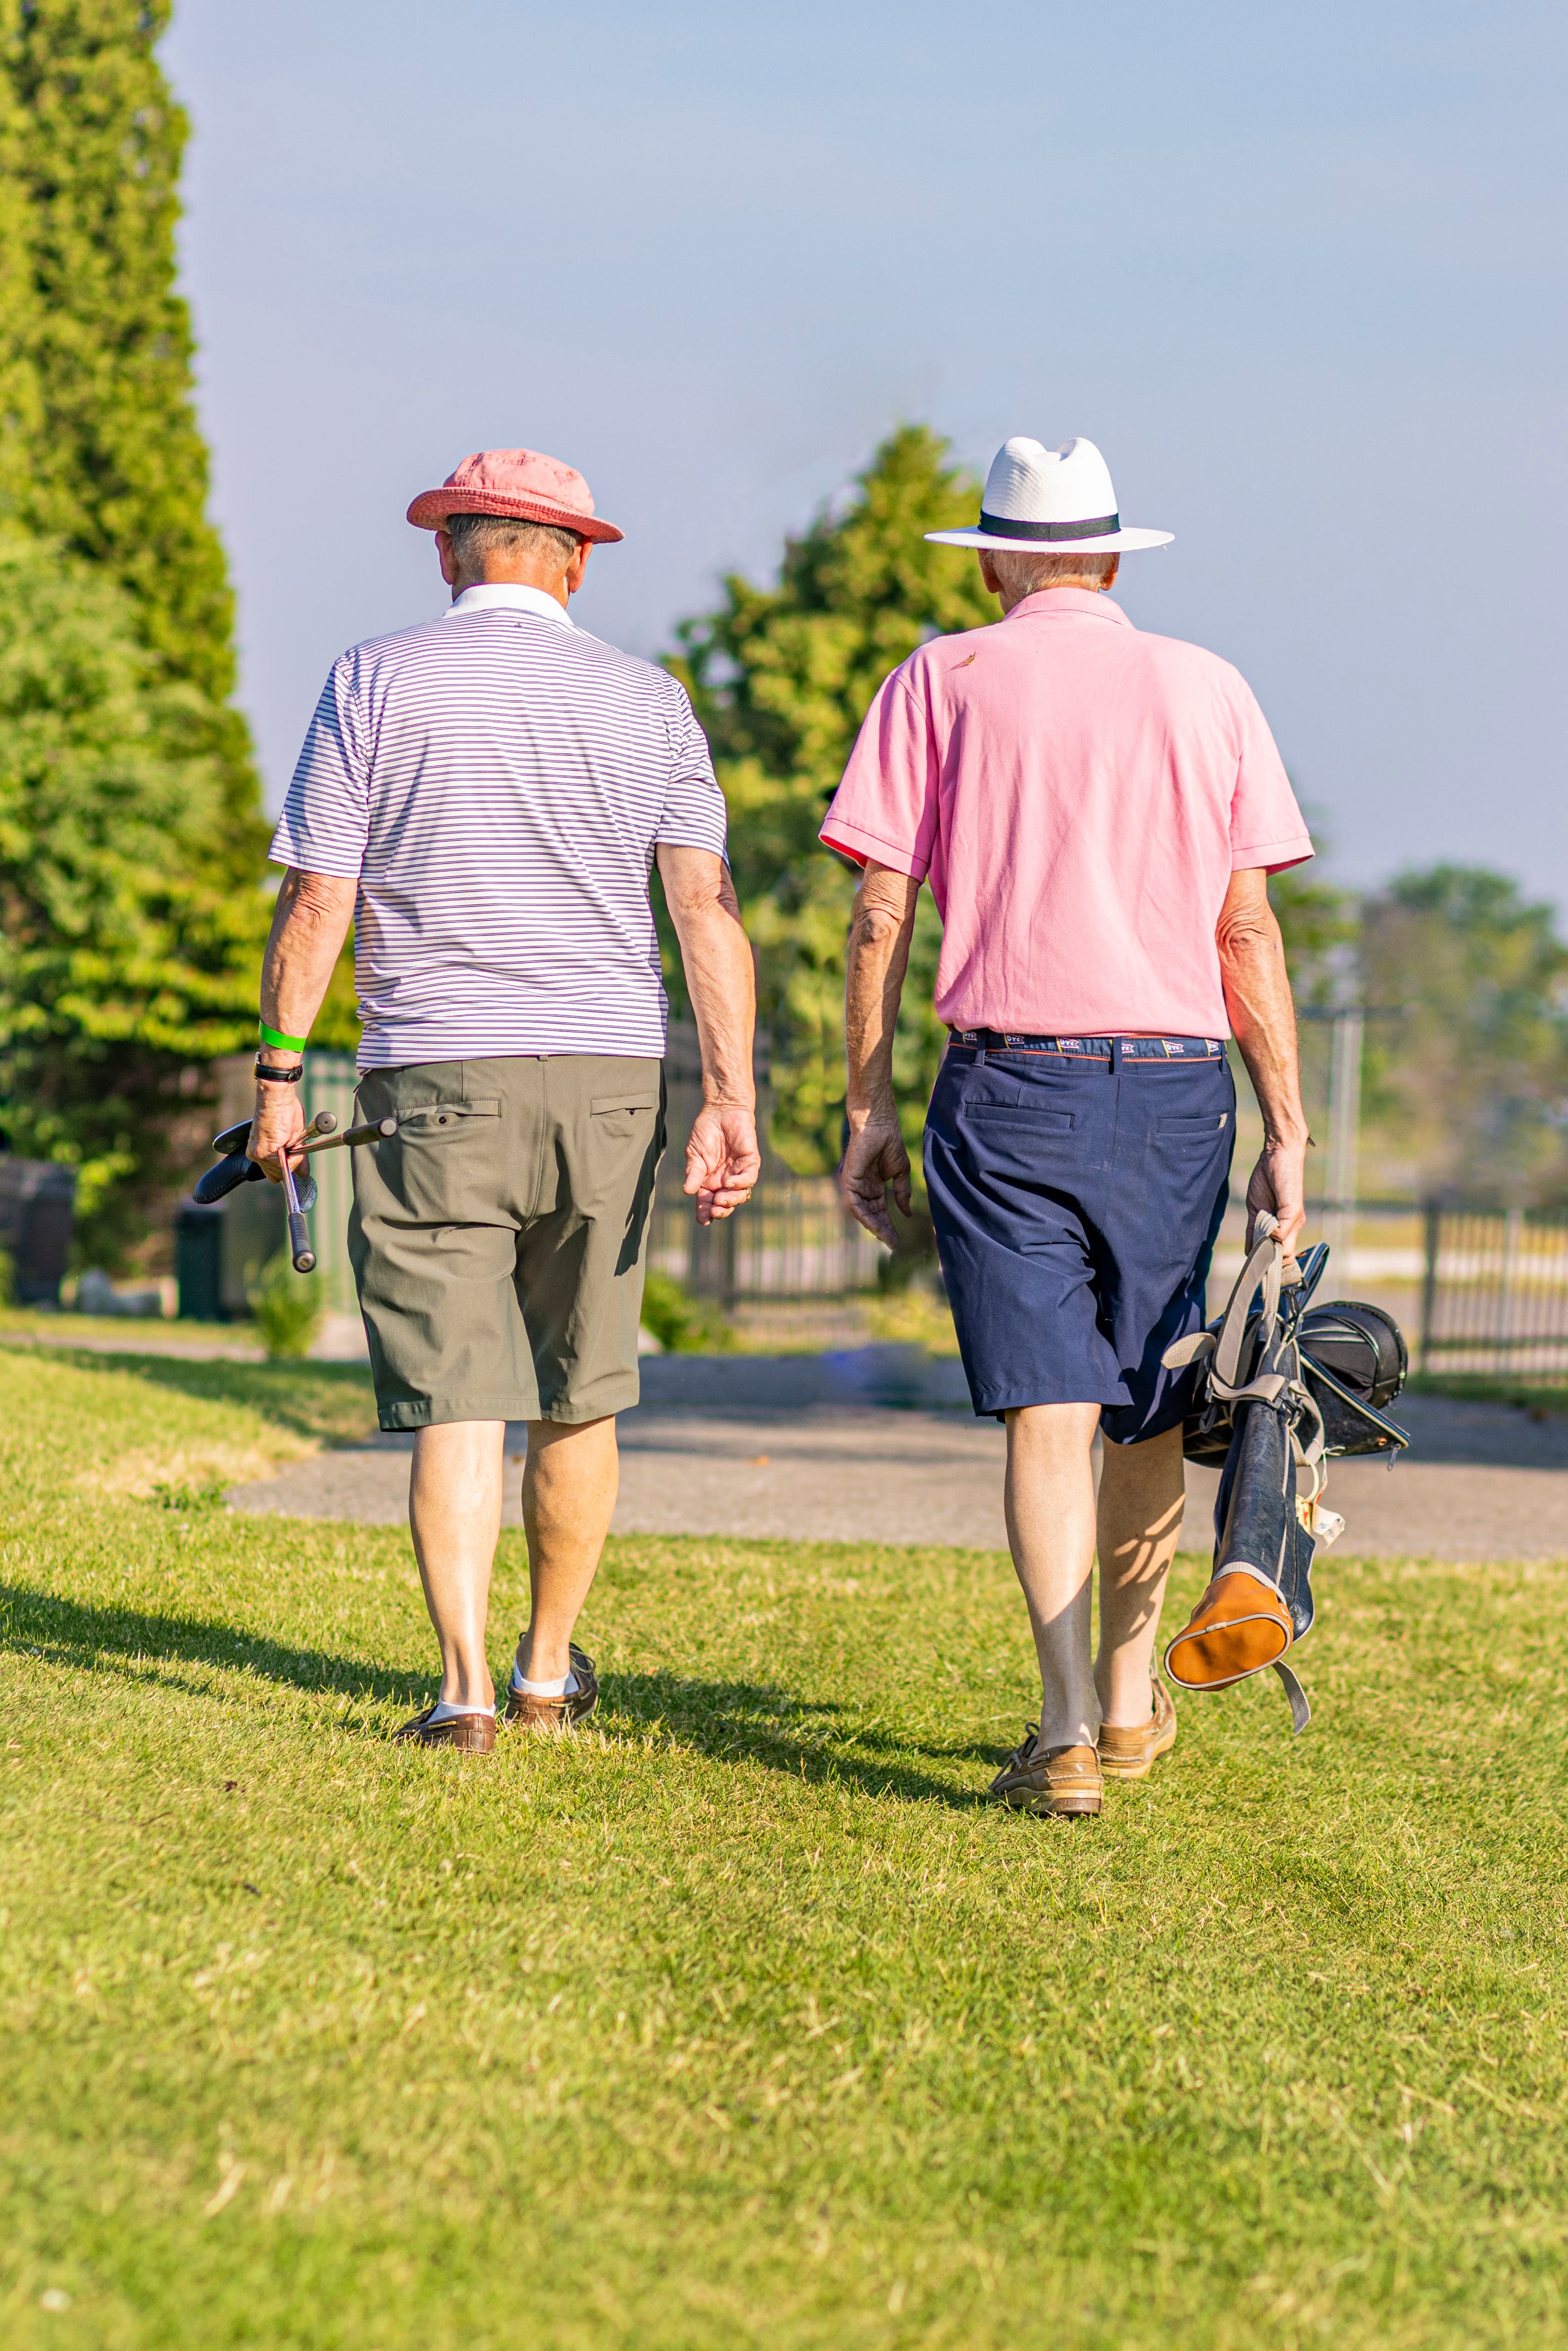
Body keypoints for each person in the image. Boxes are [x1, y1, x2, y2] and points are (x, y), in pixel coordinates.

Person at [822, 434, 1312, 1818]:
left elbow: (877, 910)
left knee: (1046, 1406)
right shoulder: (1207, 685)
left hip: (1003, 1083)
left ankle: (1059, 1736)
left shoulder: (942, 676)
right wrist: (1287, 1122)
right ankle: (1124, 1699)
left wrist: (864, 1112)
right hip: (1169, 1087)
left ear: (991, 561)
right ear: (1108, 556)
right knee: (1148, 1394)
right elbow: (1244, 923)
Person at [250, 446, 760, 1753]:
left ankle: (464, 1689)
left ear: (446, 552)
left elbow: (320, 895)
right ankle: (546, 1668)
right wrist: (731, 1098)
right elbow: (702, 906)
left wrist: (278, 1075)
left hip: (433, 1073)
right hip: (606, 1074)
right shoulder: (648, 700)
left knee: (456, 1391)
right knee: (579, 1389)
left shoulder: (373, 679)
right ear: (577, 561)